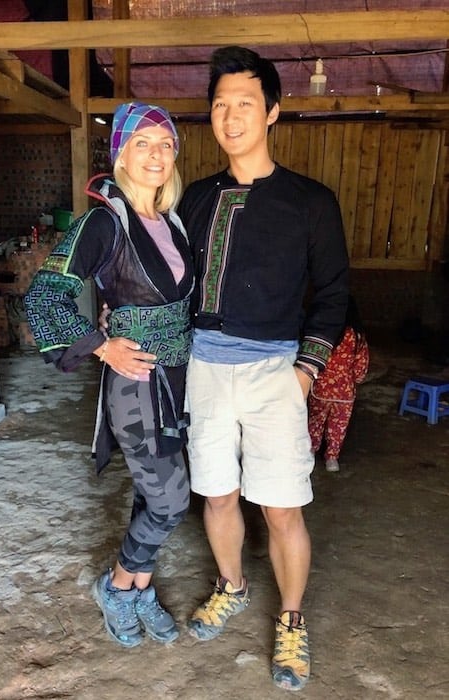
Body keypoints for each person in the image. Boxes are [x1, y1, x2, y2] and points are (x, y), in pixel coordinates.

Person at [177, 46, 350, 691]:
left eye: (245, 103)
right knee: (217, 494)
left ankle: (293, 620)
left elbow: (333, 295)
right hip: (205, 367)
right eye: (220, 104)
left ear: (272, 112)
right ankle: (232, 586)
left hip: (277, 371)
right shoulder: (196, 198)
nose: (231, 115)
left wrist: (304, 373)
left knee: (281, 508)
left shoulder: (310, 202)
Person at [24, 102, 194, 649]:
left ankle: (142, 589)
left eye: (165, 144)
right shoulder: (104, 220)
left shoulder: (171, 220)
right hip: (137, 384)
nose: (156, 154)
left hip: (178, 380)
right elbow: (44, 296)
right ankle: (118, 587)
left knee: (152, 495)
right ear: (121, 155)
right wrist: (101, 344)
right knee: (172, 501)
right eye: (142, 143)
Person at [308, 295, 369, 473]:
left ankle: (310, 453)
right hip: (345, 392)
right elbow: (360, 366)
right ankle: (332, 459)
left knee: (315, 422)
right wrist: (355, 380)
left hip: (321, 387)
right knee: (338, 425)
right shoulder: (357, 337)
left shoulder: (323, 332)